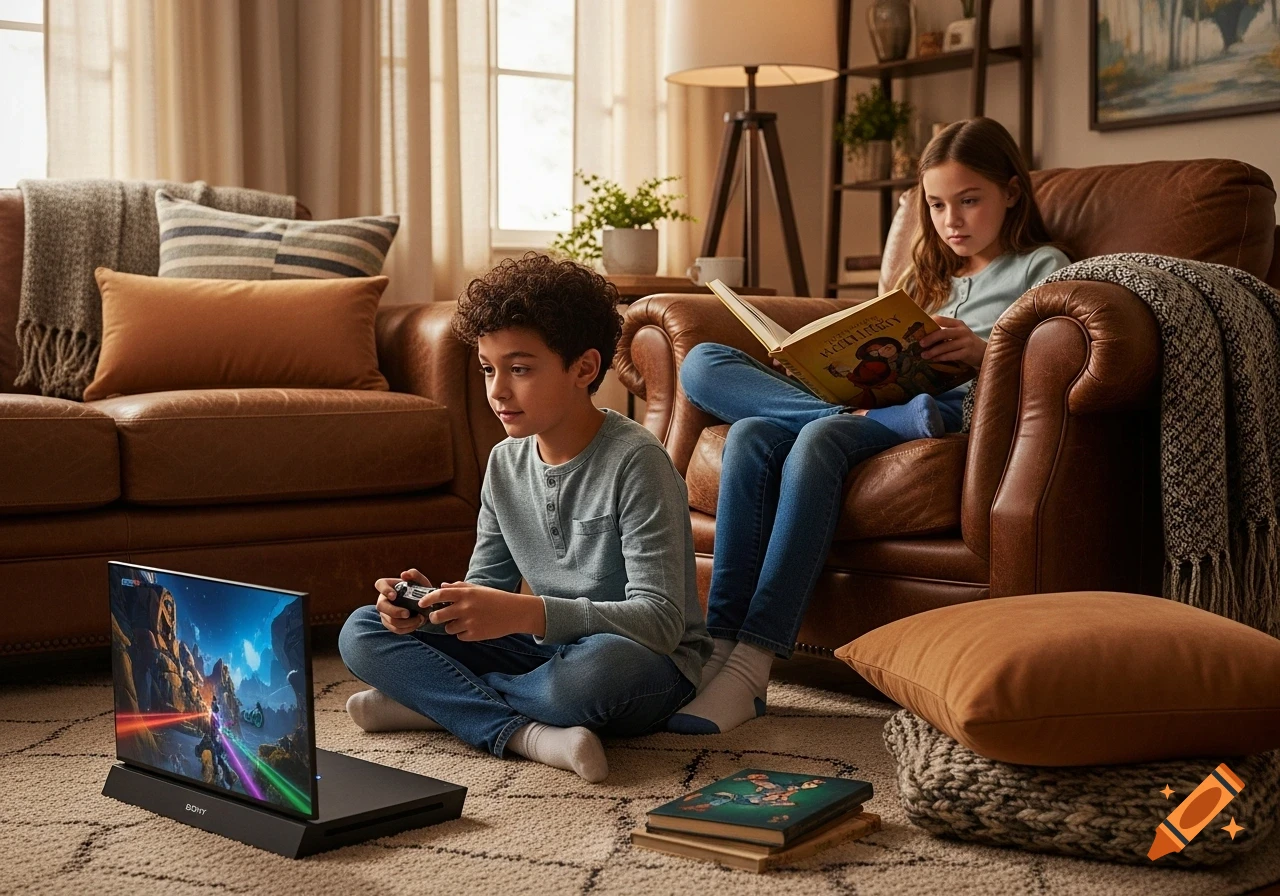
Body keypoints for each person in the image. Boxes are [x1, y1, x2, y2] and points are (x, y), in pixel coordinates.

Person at [669, 117, 1070, 735]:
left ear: (1011, 193)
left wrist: (983, 353)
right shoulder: (926, 277)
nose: (951, 220)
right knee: (708, 373)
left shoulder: (1039, 266)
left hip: (949, 413)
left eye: (969, 201)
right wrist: (811, 363)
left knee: (820, 440)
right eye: (936, 206)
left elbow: (1056, 356)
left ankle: (749, 667)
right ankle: (717, 648)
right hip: (880, 409)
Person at [338, 253, 712, 783]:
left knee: (584, 680)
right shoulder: (504, 462)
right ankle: (526, 733)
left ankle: (435, 705)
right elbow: (487, 587)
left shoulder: (636, 461)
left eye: (520, 369)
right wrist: (434, 606)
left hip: (642, 661)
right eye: (489, 369)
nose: (497, 391)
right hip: (544, 650)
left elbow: (659, 620)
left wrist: (527, 614)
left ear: (583, 368)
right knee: (361, 631)